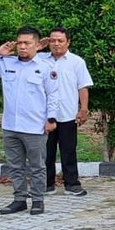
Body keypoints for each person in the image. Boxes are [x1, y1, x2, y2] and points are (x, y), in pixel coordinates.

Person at [0, 26, 59, 215]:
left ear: (37, 45)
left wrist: (51, 118)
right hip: (11, 125)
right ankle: (19, 199)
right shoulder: (7, 64)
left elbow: (53, 95)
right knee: (15, 166)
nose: (22, 47)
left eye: (27, 43)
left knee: (37, 166)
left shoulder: (46, 67)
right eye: (20, 43)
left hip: (34, 126)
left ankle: (38, 200)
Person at [36, 27, 93, 196]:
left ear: (68, 42)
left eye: (60, 40)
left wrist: (83, 109)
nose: (56, 44)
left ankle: (72, 184)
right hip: (45, 116)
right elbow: (21, 59)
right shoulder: (39, 59)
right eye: (52, 40)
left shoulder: (76, 62)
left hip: (68, 114)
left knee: (69, 151)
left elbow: (83, 87)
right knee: (46, 152)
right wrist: (37, 48)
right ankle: (47, 184)